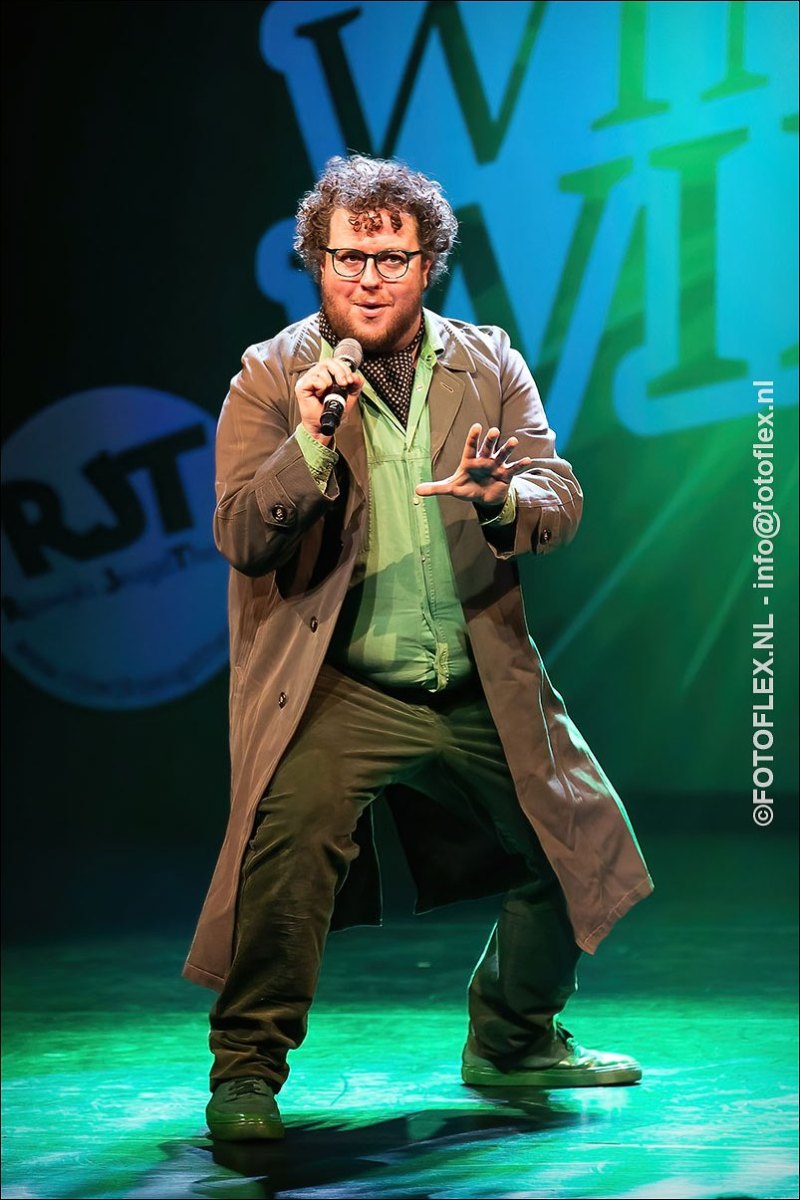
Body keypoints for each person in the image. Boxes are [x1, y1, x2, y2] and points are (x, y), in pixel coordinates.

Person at [184, 154, 653, 1141]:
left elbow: (558, 494)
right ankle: (246, 1075)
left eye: (390, 258)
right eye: (347, 256)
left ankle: (513, 1038)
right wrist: (311, 442)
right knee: (285, 864)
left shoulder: (487, 363)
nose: (367, 278)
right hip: (340, 687)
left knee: (576, 845)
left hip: (476, 677)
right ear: (317, 260)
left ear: (426, 262)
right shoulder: (270, 376)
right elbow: (240, 534)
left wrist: (503, 499)